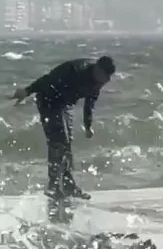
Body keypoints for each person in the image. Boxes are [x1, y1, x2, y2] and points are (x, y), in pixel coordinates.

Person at [11, 55, 116, 200]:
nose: (106, 81)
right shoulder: (75, 69)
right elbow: (47, 79)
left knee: (66, 145)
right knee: (59, 142)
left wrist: (88, 126)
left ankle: (67, 186)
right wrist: (27, 91)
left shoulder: (98, 82)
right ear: (97, 69)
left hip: (66, 104)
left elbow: (89, 104)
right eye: (105, 76)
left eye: (108, 78)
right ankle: (53, 186)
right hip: (49, 99)